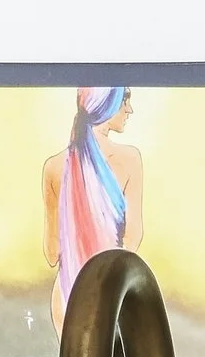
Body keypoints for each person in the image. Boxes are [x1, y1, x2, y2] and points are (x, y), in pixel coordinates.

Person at [44, 84, 144, 334]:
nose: (130, 109)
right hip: (112, 295)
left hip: (66, 298)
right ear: (106, 105)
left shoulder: (53, 167)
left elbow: (51, 252)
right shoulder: (131, 160)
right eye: (125, 100)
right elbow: (133, 238)